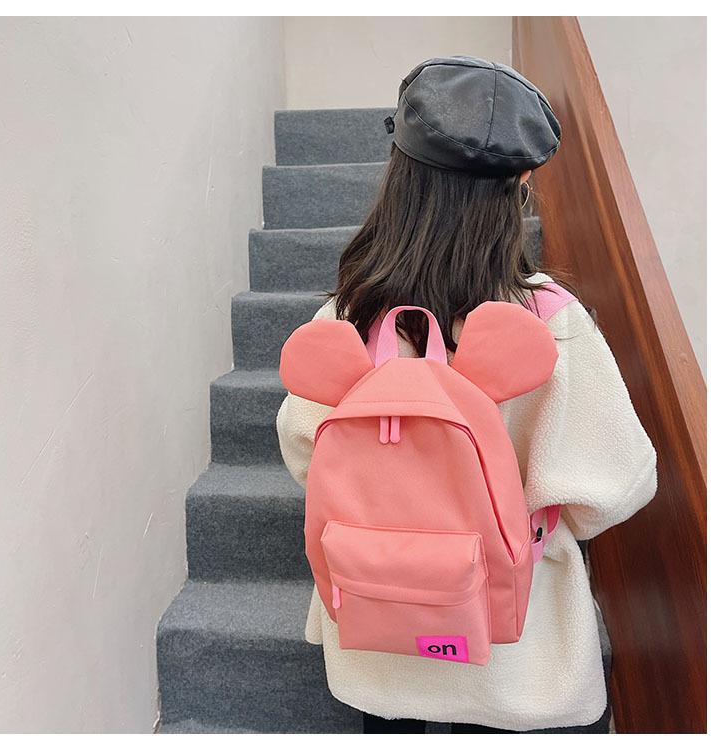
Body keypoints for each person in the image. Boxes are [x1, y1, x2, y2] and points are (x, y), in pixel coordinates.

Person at [276, 56, 657, 734]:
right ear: (518, 187)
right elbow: (615, 485)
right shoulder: (549, 322)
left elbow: (307, 453)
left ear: (398, 176)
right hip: (510, 642)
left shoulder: (346, 317)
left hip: (376, 619)